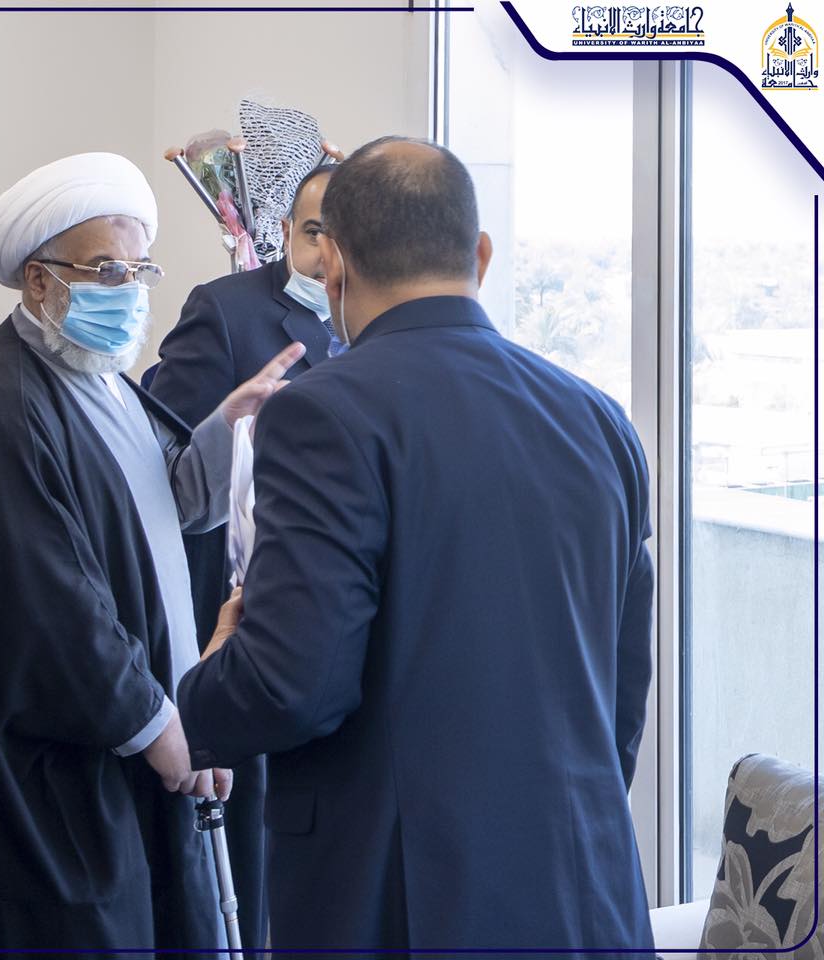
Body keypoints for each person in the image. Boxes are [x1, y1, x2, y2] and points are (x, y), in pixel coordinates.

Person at [178, 136, 655, 954]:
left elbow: (295, 685)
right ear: (481, 254)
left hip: (403, 903)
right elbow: (622, 688)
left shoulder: (321, 414)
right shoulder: (600, 419)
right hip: (586, 890)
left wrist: (209, 683)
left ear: (333, 266)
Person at [0, 151, 302, 954]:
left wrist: (229, 424)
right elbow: (47, 610)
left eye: (138, 270)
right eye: (105, 270)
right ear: (38, 281)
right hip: (66, 775)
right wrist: (160, 726)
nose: (128, 291)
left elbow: (161, 506)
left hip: (141, 740)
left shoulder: (102, 378)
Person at [145, 159, 338, 950]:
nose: (327, 253)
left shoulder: (370, 324)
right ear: (285, 231)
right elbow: (162, 468)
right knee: (246, 865)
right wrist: (231, 423)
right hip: (237, 619)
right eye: (314, 231)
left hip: (335, 626)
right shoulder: (226, 311)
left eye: (344, 235)